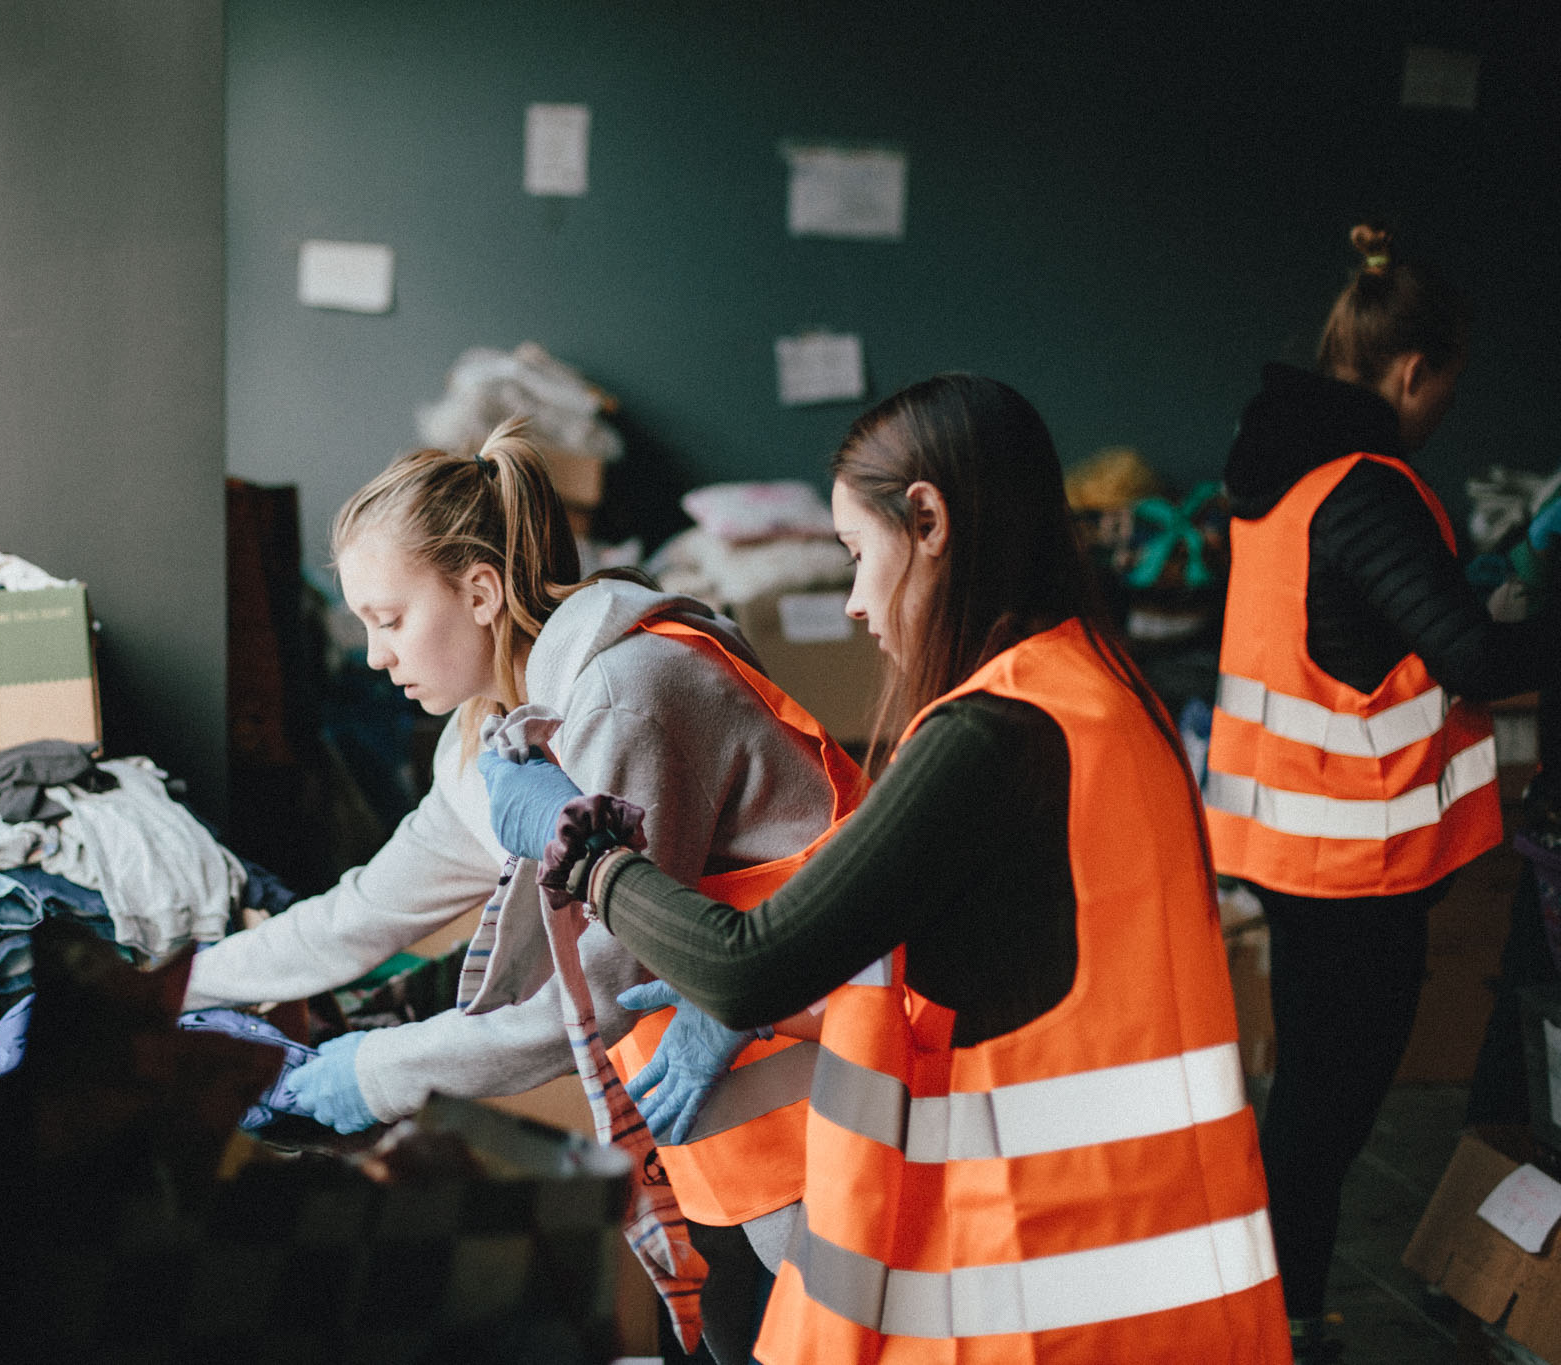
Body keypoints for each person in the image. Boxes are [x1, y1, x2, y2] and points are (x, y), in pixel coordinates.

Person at [487, 373, 1291, 1362]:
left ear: (928, 520)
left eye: (858, 556)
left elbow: (747, 963)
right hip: (1141, 1257)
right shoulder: (1105, 699)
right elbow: (1009, 976)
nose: (858, 603)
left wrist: (584, 850)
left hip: (1016, 1273)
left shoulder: (990, 737)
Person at [184, 418, 861, 1364]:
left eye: (390, 618)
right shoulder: (493, 735)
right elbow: (368, 908)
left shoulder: (631, 693)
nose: (376, 655)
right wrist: (184, 983)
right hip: (720, 1109)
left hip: (825, 1088)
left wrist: (365, 1074)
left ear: (479, 590)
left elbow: (586, 999)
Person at [1203, 223, 1561, 1361]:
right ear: (1414, 371)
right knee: (1324, 1108)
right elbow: (1472, 658)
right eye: (1447, 383)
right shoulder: (1365, 487)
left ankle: (1272, 1312)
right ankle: (1281, 1323)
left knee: (1311, 1098)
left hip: (1296, 841)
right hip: (1350, 857)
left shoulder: (1281, 471)